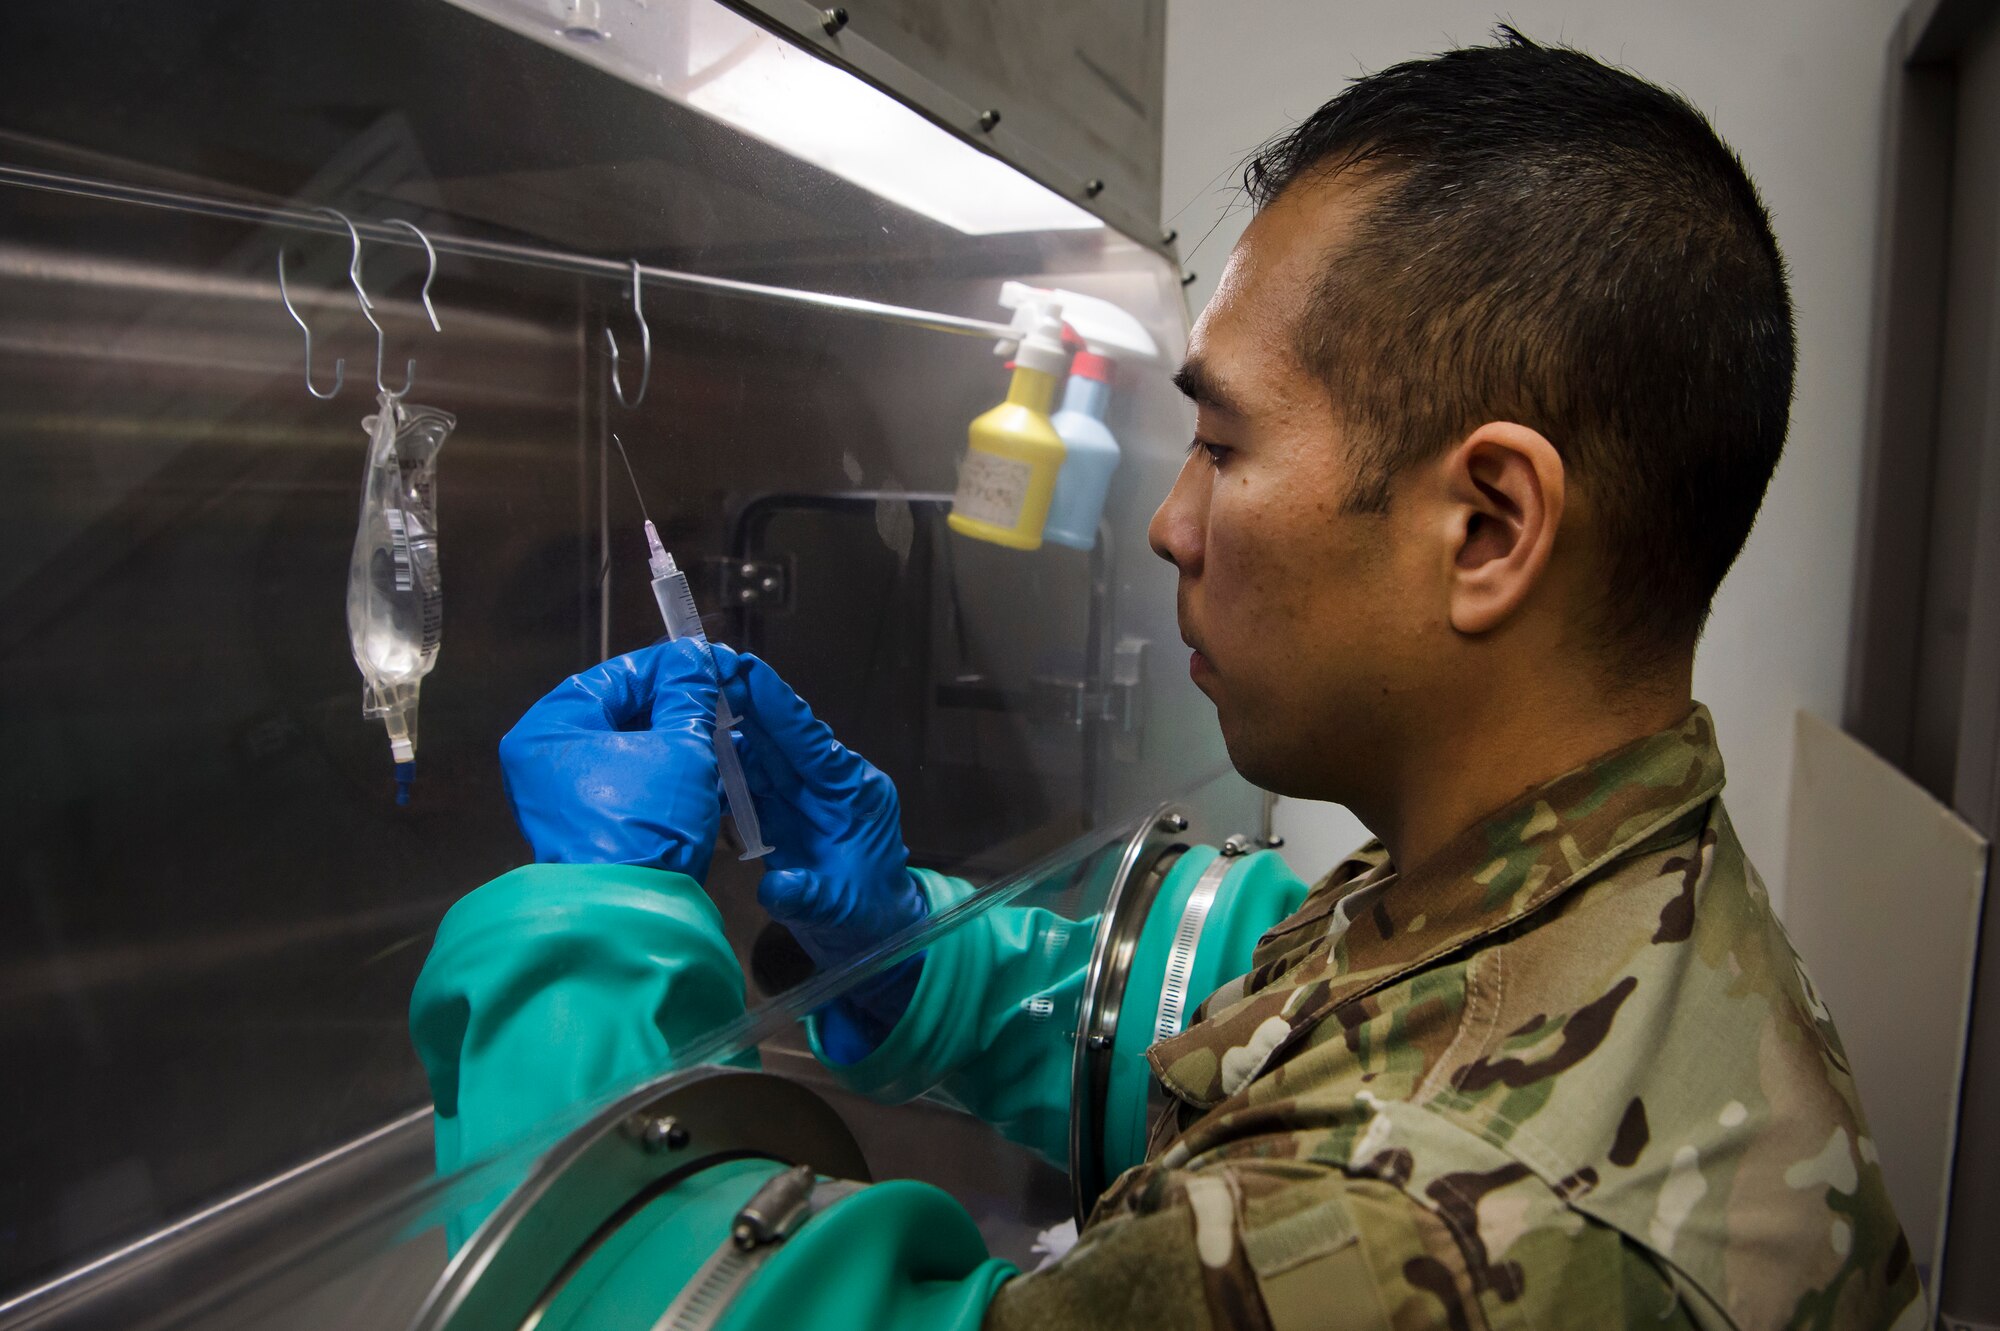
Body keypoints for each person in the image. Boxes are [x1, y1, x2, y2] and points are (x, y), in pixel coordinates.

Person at [411, 28, 1921, 1330]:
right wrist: (920, 954)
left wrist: (584, 947)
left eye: (1224, 445)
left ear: (1487, 527)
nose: (1167, 521)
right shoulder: (1591, 888)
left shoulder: (1434, 1244)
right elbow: (1308, 1028)